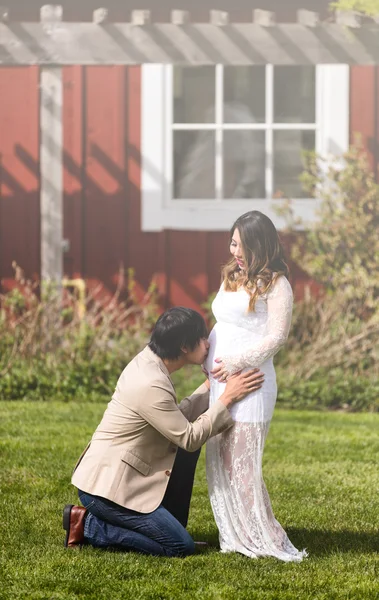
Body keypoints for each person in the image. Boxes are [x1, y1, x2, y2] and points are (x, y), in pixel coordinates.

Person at [63, 307, 265, 557]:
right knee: (179, 546)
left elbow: (175, 419)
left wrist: (210, 386)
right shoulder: (150, 382)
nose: (207, 343)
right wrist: (227, 399)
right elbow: (189, 438)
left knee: (175, 527)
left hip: (129, 475)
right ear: (183, 346)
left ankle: (165, 527)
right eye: (202, 338)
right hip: (107, 490)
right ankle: (88, 525)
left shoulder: (151, 362)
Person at [203, 210, 307, 561]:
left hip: (252, 381)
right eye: (232, 242)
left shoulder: (277, 285)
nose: (234, 250)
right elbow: (223, 323)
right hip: (220, 383)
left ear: (259, 245)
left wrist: (234, 363)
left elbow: (276, 337)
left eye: (241, 245)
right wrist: (210, 365)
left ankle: (268, 537)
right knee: (222, 458)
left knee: (244, 464)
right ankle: (239, 532)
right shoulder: (232, 275)